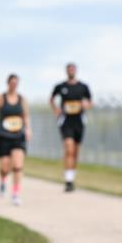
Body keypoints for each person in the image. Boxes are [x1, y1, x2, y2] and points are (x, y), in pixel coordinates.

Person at [0, 74, 31, 206]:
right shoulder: (0, 98)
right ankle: (2, 180)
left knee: (18, 166)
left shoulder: (22, 99)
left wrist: (28, 129)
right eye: (12, 82)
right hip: (4, 136)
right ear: (8, 83)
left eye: (16, 83)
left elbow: (26, 116)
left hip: (18, 136)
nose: (14, 85)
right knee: (5, 167)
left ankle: (15, 193)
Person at [50, 63, 91, 192]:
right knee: (69, 148)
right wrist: (55, 109)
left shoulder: (83, 87)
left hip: (79, 121)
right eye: (69, 69)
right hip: (66, 121)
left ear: (76, 71)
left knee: (75, 152)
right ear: (66, 71)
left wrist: (86, 105)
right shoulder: (61, 87)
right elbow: (51, 99)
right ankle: (67, 181)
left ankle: (72, 177)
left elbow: (89, 102)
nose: (71, 71)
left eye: (73, 69)